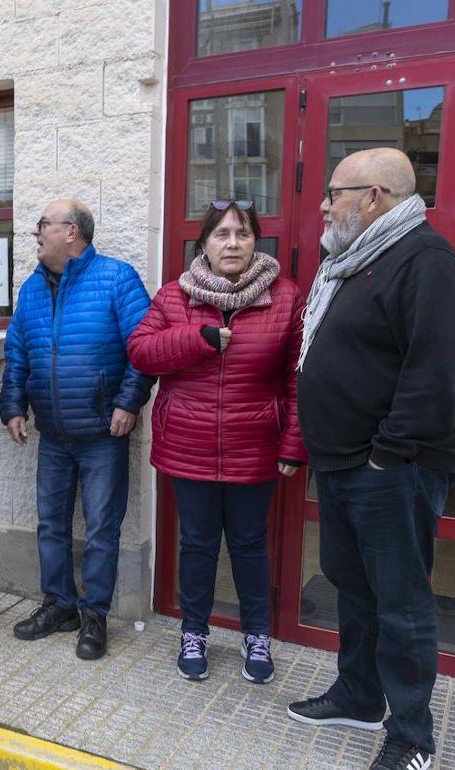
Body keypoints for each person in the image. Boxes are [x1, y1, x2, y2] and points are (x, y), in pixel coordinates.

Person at [289, 148, 455, 770]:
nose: (323, 205)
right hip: (343, 462)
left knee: (401, 602)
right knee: (353, 585)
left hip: (392, 467)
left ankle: (412, 737)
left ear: (373, 197)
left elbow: (432, 374)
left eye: (334, 193)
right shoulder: (352, 261)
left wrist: (386, 457)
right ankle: (360, 696)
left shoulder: (425, 261)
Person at [127, 199, 305, 684]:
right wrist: (197, 339)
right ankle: (194, 632)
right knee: (198, 544)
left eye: (242, 234)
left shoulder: (286, 297)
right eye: (222, 234)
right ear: (203, 243)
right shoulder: (174, 296)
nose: (232, 243)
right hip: (188, 445)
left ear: (256, 242)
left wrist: (294, 440)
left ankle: (257, 635)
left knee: (249, 545)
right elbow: (140, 352)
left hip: (256, 445)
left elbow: (299, 376)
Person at [0, 199, 152, 661]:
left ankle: (95, 615)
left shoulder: (117, 278)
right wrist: (13, 406)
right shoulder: (31, 288)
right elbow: (18, 352)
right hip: (53, 434)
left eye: (42, 224)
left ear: (71, 232)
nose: (35, 232)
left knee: (102, 528)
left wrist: (128, 402)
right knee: (51, 523)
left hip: (103, 433)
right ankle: (59, 605)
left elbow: (143, 350)